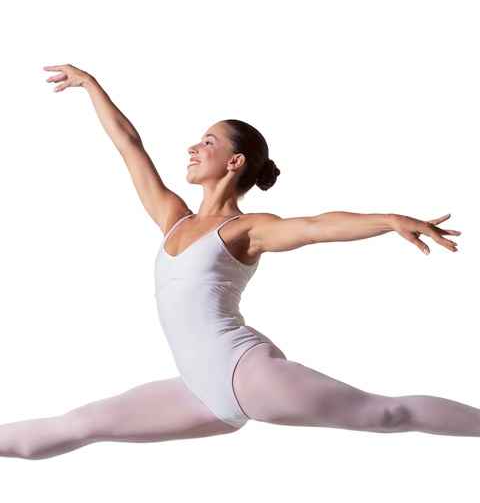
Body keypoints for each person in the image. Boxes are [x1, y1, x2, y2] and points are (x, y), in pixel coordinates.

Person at [0, 63, 476, 462]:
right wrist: (89, 84)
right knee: (79, 424)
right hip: (198, 392)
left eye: (208, 142)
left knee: (386, 415)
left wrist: (388, 220)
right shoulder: (172, 218)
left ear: (234, 162)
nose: (193, 148)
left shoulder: (246, 230)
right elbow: (129, 145)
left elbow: (315, 226)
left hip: (243, 371)